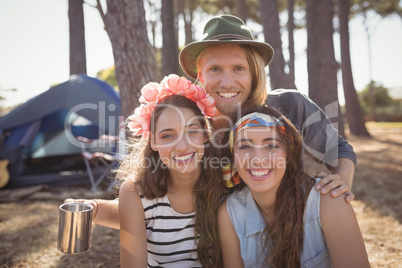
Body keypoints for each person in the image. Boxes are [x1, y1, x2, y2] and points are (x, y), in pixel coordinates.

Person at [66, 14, 357, 228]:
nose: (227, 81)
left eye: (238, 68)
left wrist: (340, 184)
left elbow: (340, 151)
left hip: (296, 235)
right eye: (215, 68)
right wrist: (91, 208)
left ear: (254, 72)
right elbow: (153, 206)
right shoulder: (190, 127)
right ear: (200, 74)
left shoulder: (290, 105)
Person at [218, 105, 369, 268]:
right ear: (233, 156)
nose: (258, 158)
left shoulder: (328, 201)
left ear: (288, 154)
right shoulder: (230, 212)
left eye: (271, 145)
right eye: (245, 146)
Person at [118, 74, 224, 267]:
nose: (182, 146)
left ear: (205, 135)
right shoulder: (135, 193)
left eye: (192, 131)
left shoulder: (224, 184)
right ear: (154, 142)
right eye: (168, 135)